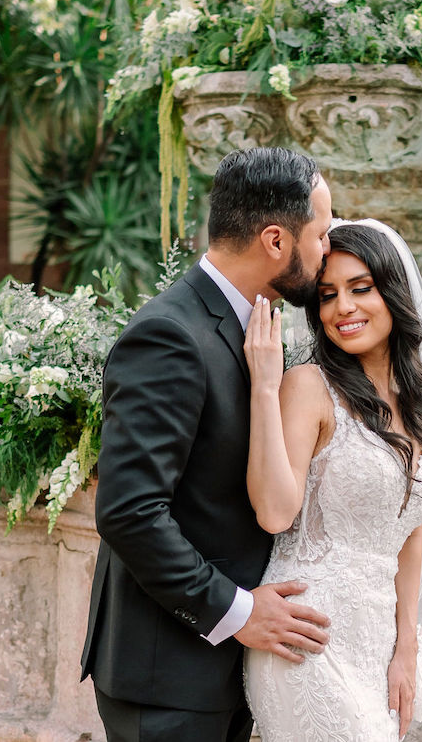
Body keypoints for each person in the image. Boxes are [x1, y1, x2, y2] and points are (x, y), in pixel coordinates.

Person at [81, 147, 336, 742]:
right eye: (320, 235)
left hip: (225, 674)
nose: (326, 251)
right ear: (275, 241)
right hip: (168, 674)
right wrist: (241, 614)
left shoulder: (255, 321)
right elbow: (129, 513)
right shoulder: (169, 335)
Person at [242, 220, 422, 741]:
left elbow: (410, 527)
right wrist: (266, 389)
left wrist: (406, 648)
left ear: (394, 294)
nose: (343, 308)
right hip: (308, 636)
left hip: (379, 646)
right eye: (328, 295)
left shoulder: (414, 404)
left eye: (361, 289)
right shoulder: (309, 385)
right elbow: (274, 513)